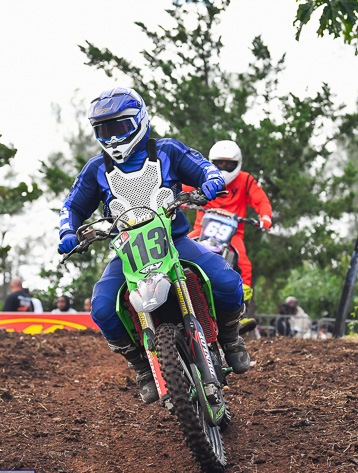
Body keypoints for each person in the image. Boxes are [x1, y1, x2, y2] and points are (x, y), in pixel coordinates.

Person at [56, 87, 249, 404]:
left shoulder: (167, 151)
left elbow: (202, 167)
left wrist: (211, 180)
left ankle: (230, 337)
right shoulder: (96, 169)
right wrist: (67, 232)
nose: (114, 137)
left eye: (119, 127)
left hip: (173, 241)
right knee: (103, 307)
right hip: (128, 252)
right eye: (104, 130)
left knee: (227, 280)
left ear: (139, 120)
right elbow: (72, 207)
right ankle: (142, 366)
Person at [184, 140, 273, 304]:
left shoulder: (245, 180)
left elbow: (261, 200)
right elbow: (180, 189)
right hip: (203, 229)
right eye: (219, 163)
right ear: (211, 163)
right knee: (180, 248)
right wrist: (176, 199)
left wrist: (265, 217)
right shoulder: (202, 176)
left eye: (228, 164)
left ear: (237, 164)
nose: (223, 168)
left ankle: (242, 306)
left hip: (233, 234)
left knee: (244, 264)